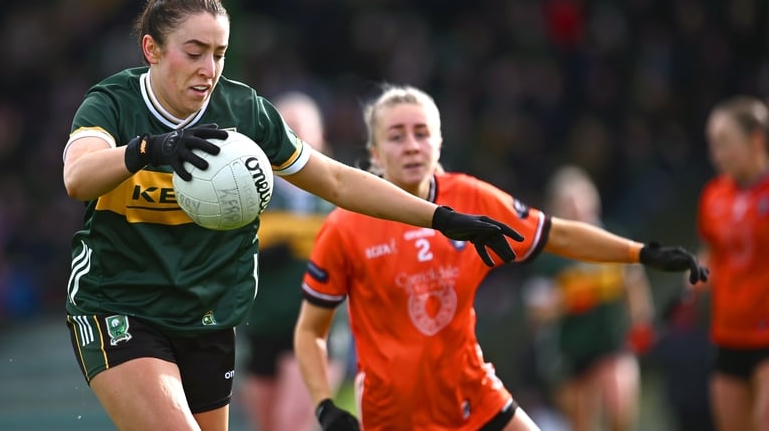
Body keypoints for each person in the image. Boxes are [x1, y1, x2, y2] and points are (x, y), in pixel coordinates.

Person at [60, 0, 525, 430]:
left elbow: (337, 180)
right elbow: (77, 177)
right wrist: (149, 150)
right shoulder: (114, 103)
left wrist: (440, 218)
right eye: (195, 52)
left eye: (219, 54)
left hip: (205, 315)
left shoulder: (244, 113)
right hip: (118, 303)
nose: (209, 68)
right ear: (152, 49)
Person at [293, 84, 707, 431]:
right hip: (394, 412)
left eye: (422, 133)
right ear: (375, 152)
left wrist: (639, 253)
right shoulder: (346, 226)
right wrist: (324, 405)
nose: (412, 145)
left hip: (472, 390)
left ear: (439, 143)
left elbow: (555, 233)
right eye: (397, 136)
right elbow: (311, 331)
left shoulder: (470, 198)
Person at [240, 91, 349, 431]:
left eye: (298, 126)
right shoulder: (243, 195)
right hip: (261, 328)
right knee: (269, 426)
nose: (290, 134)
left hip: (317, 329)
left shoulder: (339, 196)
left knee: (292, 425)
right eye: (282, 126)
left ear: (320, 135)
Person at [523, 165, 655, 431]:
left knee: (621, 406)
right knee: (583, 424)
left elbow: (634, 282)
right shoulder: (549, 257)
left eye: (581, 200)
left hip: (611, 343)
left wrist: (642, 322)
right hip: (570, 353)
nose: (577, 208)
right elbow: (536, 310)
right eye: (568, 203)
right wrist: (571, 296)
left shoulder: (613, 239)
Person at [698, 95, 769, 431]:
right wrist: (695, 276)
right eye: (713, 145)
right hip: (727, 333)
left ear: (756, 139)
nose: (717, 155)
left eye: (725, 143)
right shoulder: (713, 196)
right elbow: (712, 254)